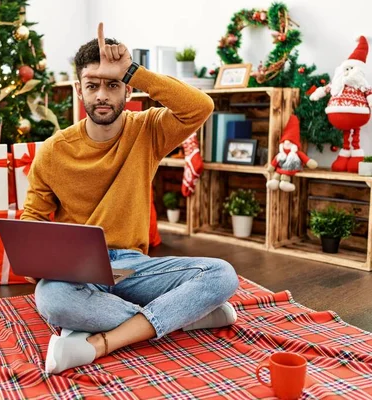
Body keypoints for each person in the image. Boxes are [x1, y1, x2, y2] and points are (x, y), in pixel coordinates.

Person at [20, 23, 239, 375]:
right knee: (54, 300)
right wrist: (34, 261)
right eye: (93, 85)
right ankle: (184, 315)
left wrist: (133, 69)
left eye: (113, 84)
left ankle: (103, 341)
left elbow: (200, 107)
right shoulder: (53, 151)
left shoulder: (148, 129)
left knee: (222, 275)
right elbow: (32, 215)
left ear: (127, 89)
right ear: (80, 90)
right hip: (76, 270)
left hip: (133, 267)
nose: (102, 95)